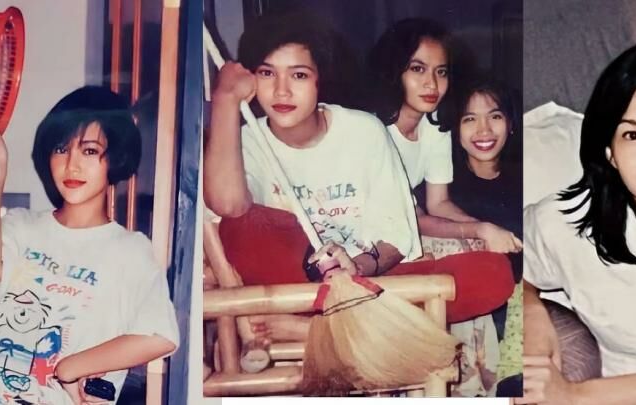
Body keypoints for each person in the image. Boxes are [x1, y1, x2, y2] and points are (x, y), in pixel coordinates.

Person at [204, 14, 514, 343]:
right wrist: (225, 99)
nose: (282, 91)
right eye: (267, 73)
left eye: (299, 75)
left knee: (493, 274)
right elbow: (229, 207)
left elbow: (396, 238)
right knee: (241, 225)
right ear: (252, 79)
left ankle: (318, 329)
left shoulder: (364, 130)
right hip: (296, 283)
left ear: (320, 80)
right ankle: (363, 330)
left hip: (367, 281)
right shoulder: (246, 142)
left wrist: (358, 267)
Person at [520, 41, 636, 405]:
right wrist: (530, 310)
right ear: (611, 154)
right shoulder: (566, 225)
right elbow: (513, 262)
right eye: (632, 135)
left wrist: (577, 396)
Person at [0, 86, 179, 405]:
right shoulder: (20, 225)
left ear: (115, 159)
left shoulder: (129, 251)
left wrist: (70, 367)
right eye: (61, 149)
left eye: (89, 151)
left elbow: (160, 336)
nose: (71, 165)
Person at [366, 18, 522, 255]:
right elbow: (412, 218)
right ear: (393, 71)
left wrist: (488, 231)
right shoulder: (374, 130)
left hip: (399, 230)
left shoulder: (434, 124)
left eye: (441, 72)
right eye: (418, 69)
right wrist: (479, 230)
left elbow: (438, 204)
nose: (432, 84)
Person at [449, 77, 523, 396]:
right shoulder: (444, 186)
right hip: (475, 311)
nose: (483, 130)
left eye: (494, 116)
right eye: (469, 119)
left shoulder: (524, 175)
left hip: (522, 305)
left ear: (511, 123)